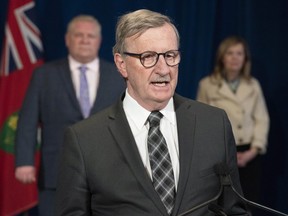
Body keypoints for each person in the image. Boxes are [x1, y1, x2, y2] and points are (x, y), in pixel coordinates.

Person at [55, 9, 249, 216]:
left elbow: (234, 209)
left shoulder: (213, 124)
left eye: (170, 55)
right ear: (122, 64)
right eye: (148, 57)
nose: (164, 69)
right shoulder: (84, 139)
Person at [14, 15, 125, 216]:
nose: (84, 40)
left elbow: (127, 123)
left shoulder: (117, 76)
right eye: (78, 35)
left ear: (99, 41)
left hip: (106, 174)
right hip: (55, 173)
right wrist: (24, 161)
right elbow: (27, 121)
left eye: (90, 36)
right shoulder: (44, 75)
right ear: (68, 39)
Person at [196, 36, 270, 213]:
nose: (235, 58)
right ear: (222, 56)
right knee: (222, 205)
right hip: (220, 155)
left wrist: (252, 152)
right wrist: (220, 154)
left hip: (249, 156)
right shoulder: (207, 85)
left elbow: (262, 120)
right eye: (230, 53)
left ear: (245, 58)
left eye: (239, 53)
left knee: (248, 204)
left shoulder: (253, 85)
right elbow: (201, 123)